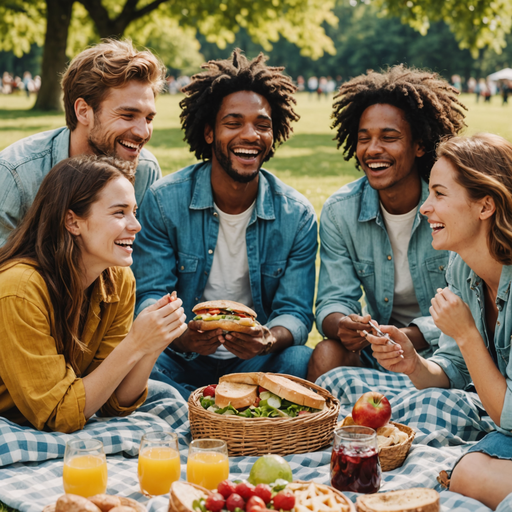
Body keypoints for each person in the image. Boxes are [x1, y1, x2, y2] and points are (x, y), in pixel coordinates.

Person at [132, 50, 317, 398]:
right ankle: (205, 408)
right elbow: (149, 294)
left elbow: (294, 311)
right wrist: (180, 334)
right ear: (208, 132)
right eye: (233, 123)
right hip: (178, 357)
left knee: (298, 359)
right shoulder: (163, 200)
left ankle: (196, 407)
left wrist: (268, 339)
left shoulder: (298, 215)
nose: (250, 135)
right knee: (137, 360)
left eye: (262, 125)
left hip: (254, 362)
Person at [366, 133, 512, 510]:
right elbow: (456, 370)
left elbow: (508, 417)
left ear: (486, 206)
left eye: (440, 194)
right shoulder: (463, 267)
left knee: (466, 475)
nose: (425, 208)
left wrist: (465, 333)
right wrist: (413, 362)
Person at [0, 155, 187, 433]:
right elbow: (58, 415)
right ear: (72, 222)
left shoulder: (118, 279)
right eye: (119, 212)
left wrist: (152, 345)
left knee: (170, 399)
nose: (136, 225)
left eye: (134, 211)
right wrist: (135, 342)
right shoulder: (19, 289)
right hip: (13, 423)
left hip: (62, 414)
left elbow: (111, 401)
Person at [307, 65, 467, 382]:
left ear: (420, 145)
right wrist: (343, 324)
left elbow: (471, 305)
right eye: (364, 138)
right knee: (326, 352)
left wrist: (410, 336)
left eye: (389, 138)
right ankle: (324, 432)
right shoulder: (341, 211)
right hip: (381, 349)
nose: (373, 149)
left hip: (450, 349)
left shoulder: (452, 205)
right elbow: (332, 298)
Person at [0, 39, 166, 247]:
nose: (143, 132)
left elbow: (141, 265)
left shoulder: (145, 170)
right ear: (83, 111)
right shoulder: (16, 177)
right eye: (127, 115)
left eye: (149, 119)